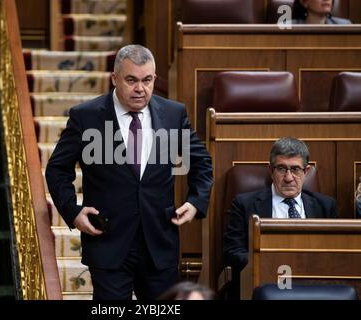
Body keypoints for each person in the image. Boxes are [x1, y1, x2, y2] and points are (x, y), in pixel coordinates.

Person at [46, 44, 213, 300]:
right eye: (131, 80)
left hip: (159, 242)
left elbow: (201, 162)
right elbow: (57, 169)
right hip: (108, 241)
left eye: (147, 80)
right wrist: (73, 211)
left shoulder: (173, 114)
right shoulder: (86, 116)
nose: (140, 88)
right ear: (114, 79)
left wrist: (195, 202)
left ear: (154, 78)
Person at [223, 137, 338, 299]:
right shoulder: (244, 204)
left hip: (311, 283)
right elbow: (232, 252)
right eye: (282, 169)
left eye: (296, 169)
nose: (289, 177)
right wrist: (271, 261)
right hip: (264, 283)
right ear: (270, 170)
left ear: (306, 172)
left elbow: (334, 254)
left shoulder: (325, 206)